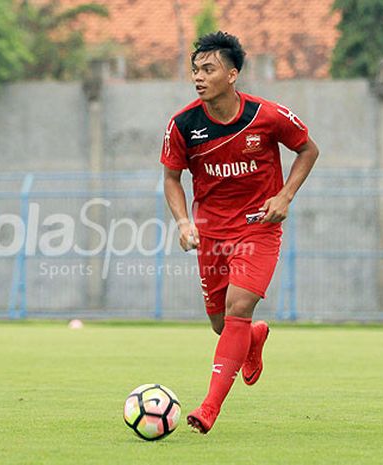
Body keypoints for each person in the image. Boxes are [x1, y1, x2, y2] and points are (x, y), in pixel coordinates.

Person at [160, 31, 319, 434]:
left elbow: (308, 149)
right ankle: (254, 337)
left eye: (208, 69)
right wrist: (183, 221)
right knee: (220, 323)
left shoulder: (267, 116)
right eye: (195, 70)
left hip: (259, 227)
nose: (198, 77)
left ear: (232, 75)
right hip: (211, 233)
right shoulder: (183, 125)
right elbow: (171, 179)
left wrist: (285, 196)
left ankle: (209, 407)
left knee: (238, 308)